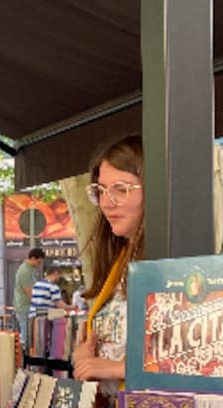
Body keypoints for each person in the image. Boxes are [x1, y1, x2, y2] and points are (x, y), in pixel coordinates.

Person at [73, 134, 145, 392]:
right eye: (101, 191)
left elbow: (188, 357)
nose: (106, 202)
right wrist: (84, 358)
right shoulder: (120, 262)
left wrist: (116, 368)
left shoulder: (172, 264)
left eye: (121, 190)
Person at [14, 247, 45, 347]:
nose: (39, 265)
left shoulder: (30, 270)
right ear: (32, 258)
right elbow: (30, 292)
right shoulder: (25, 271)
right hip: (24, 307)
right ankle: (24, 354)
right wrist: (41, 304)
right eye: (38, 262)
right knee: (26, 336)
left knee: (28, 335)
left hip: (27, 307)